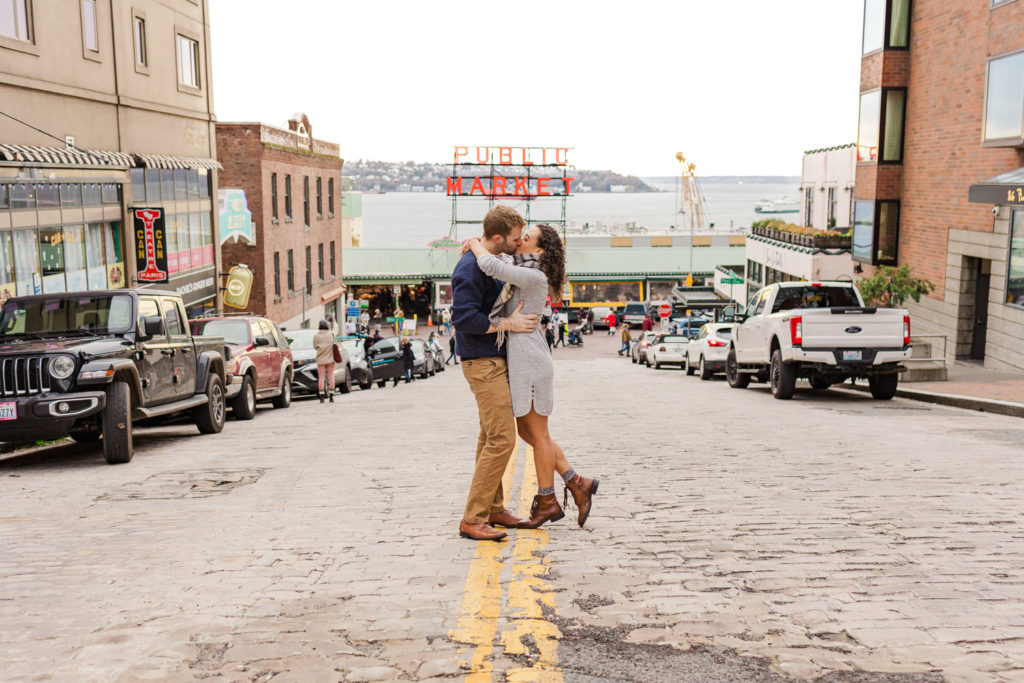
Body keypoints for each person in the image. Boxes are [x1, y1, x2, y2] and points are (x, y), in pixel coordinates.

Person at [465, 216, 599, 532]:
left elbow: (492, 267)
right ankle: (577, 482)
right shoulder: (526, 272)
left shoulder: (533, 276)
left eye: (528, 236)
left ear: (539, 248)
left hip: (531, 363)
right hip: (525, 361)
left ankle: (547, 499)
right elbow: (499, 265)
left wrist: (473, 244)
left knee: (537, 435)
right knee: (528, 433)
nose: (521, 238)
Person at [451, 205, 539, 542]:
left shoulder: (488, 260)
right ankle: (472, 519)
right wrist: (510, 323)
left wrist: (474, 243)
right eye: (516, 238)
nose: (519, 243)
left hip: (491, 360)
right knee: (503, 438)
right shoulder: (469, 269)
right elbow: (463, 319)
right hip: (481, 362)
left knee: (490, 437)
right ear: (499, 237)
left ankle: (493, 508)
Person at [313, 320, 336, 403]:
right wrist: (334, 321)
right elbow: (336, 330)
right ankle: (331, 396)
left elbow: (315, 347)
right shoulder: (331, 334)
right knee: (330, 376)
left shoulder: (316, 336)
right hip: (330, 358)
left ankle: (322, 397)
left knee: (321, 377)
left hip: (320, 359)